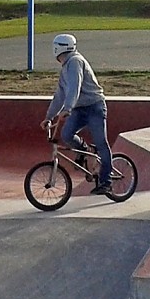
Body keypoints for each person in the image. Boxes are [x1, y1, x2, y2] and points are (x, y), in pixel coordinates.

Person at [43, 33, 114, 196]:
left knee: (101, 142)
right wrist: (49, 116)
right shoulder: (65, 68)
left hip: (94, 106)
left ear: (58, 48)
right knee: (66, 134)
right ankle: (84, 151)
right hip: (79, 108)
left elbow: (75, 87)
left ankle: (106, 181)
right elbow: (60, 94)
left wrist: (67, 108)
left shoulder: (75, 62)